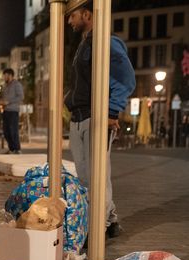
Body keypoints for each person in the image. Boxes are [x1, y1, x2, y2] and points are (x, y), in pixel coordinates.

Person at [65, 0, 135, 239]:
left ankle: (99, 227)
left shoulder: (106, 42)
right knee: (87, 177)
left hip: (96, 117)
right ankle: (111, 218)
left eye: (72, 15)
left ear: (87, 14)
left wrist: (112, 112)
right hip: (79, 117)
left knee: (97, 177)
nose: (69, 21)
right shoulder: (85, 44)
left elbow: (126, 79)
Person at [0, 68, 24, 153]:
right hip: (6, 110)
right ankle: (11, 148)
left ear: (10, 75)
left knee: (13, 130)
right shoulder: (5, 86)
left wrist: (8, 101)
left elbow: (21, 97)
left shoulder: (17, 84)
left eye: (5, 75)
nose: (4, 77)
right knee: (6, 131)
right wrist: (2, 102)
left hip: (13, 111)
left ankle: (17, 149)